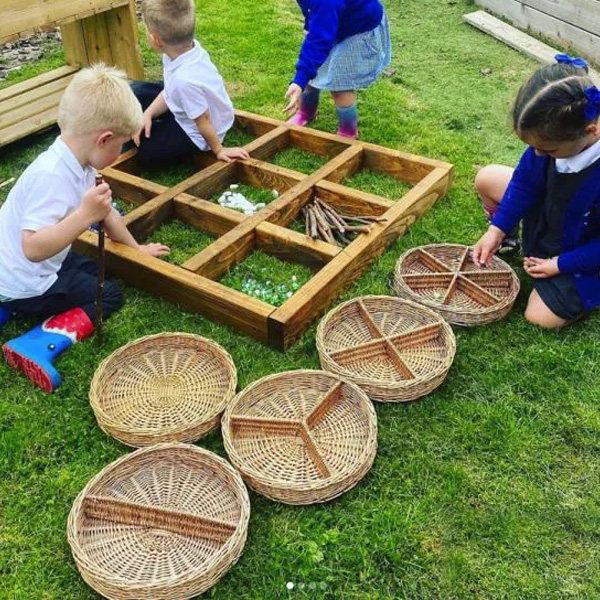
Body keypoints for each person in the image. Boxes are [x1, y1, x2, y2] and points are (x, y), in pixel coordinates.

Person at [0, 64, 170, 393]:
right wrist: (83, 216)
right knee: (108, 294)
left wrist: (137, 249)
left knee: (95, 269)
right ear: (104, 139)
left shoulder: (76, 161)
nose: (120, 152)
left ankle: (7, 304)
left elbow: (106, 214)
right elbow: (32, 248)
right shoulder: (52, 177)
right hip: (26, 278)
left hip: (16, 269)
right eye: (121, 145)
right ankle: (35, 343)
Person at [473, 54, 600, 329]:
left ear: (591, 131)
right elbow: (524, 183)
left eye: (548, 150)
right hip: (552, 213)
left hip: (584, 245)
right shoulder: (553, 140)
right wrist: (497, 228)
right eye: (533, 148)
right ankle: (510, 240)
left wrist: (560, 265)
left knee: (539, 318)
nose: (538, 154)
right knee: (487, 178)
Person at [133, 0, 249, 164]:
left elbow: (203, 121)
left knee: (148, 151)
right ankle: (147, 118)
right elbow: (169, 91)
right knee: (136, 92)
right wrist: (148, 114)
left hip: (198, 131)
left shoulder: (184, 81)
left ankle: (149, 128)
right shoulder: (187, 50)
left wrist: (219, 149)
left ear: (155, 40)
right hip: (190, 103)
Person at [284, 0, 392, 139]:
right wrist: (310, 23)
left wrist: (299, 80)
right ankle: (306, 112)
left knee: (340, 85)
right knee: (313, 69)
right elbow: (311, 9)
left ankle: (348, 131)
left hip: (358, 28)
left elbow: (319, 41)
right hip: (334, 18)